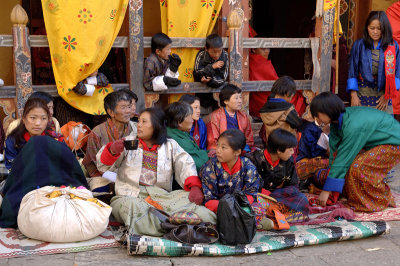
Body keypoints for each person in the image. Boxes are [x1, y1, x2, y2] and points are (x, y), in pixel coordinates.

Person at [96, 107, 216, 236]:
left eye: (144, 122)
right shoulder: (129, 143)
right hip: (131, 195)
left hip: (162, 196)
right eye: (139, 121)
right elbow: (102, 166)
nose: (139, 125)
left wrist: (194, 187)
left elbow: (185, 164)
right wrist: (112, 151)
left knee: (196, 207)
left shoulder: (170, 145)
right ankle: (176, 226)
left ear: (156, 125)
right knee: (132, 207)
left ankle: (168, 225)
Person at [310, 92, 400, 212]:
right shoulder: (336, 124)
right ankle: (361, 198)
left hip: (393, 143)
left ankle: (381, 199)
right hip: (374, 144)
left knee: (358, 167)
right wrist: (330, 186)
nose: (317, 119)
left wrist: (326, 190)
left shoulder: (353, 125)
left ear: (327, 110)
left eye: (317, 115)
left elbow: (343, 158)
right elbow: (335, 154)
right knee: (350, 166)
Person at [82, 90, 137, 192]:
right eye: (123, 107)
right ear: (111, 112)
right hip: (103, 174)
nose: (128, 111)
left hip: (129, 173)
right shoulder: (97, 132)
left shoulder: (136, 129)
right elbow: (93, 162)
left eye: (129, 107)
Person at [246, 129, 309, 215]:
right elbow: (249, 185)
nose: (292, 152)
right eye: (290, 149)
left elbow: (293, 185)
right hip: (258, 195)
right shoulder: (253, 159)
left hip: (277, 196)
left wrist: (275, 195)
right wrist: (265, 194)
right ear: (279, 150)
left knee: (302, 199)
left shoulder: (288, 161)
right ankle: (275, 210)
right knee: (252, 203)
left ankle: (273, 209)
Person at [347, 11, 400, 113]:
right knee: (362, 125)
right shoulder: (359, 45)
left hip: (383, 96)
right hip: (361, 94)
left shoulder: (393, 46)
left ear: (385, 29)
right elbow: (352, 71)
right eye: (372, 28)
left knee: (383, 126)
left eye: (379, 29)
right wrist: (353, 95)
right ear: (367, 28)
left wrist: (387, 96)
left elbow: (397, 72)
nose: (375, 32)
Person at [200, 129, 261, 213]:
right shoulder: (210, 167)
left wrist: (238, 207)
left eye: (223, 147)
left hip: (241, 205)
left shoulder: (248, 166)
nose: (218, 150)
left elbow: (251, 193)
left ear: (237, 152)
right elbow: (210, 198)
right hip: (218, 206)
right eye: (218, 145)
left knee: (257, 211)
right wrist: (227, 210)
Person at [4, 98, 64, 171]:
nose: (38, 123)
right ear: (24, 119)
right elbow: (12, 167)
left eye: (43, 118)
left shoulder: (56, 139)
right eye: (33, 118)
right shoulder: (13, 141)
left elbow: (65, 164)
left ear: (48, 120)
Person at [207, 84, 254, 156]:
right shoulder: (216, 116)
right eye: (236, 98)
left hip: (240, 148)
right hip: (223, 148)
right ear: (226, 101)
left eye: (240, 97)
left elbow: (248, 138)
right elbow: (213, 141)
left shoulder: (243, 116)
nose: (240, 101)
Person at [165, 102, 209, 172]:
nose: (192, 121)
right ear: (179, 122)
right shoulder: (178, 140)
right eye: (190, 117)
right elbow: (196, 163)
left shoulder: (177, 133)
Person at [259, 76, 303, 144]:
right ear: (288, 93)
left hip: (271, 145)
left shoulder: (265, 108)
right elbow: (299, 124)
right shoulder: (287, 109)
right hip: (287, 145)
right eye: (292, 95)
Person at [295, 121, 330, 188]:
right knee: (329, 163)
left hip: (323, 159)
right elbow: (314, 153)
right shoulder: (310, 128)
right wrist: (324, 134)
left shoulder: (332, 127)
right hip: (305, 159)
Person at [248, 46, 279, 118]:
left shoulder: (250, 58)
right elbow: (278, 85)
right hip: (265, 101)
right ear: (253, 49)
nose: (266, 51)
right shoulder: (262, 63)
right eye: (263, 49)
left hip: (254, 103)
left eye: (268, 48)